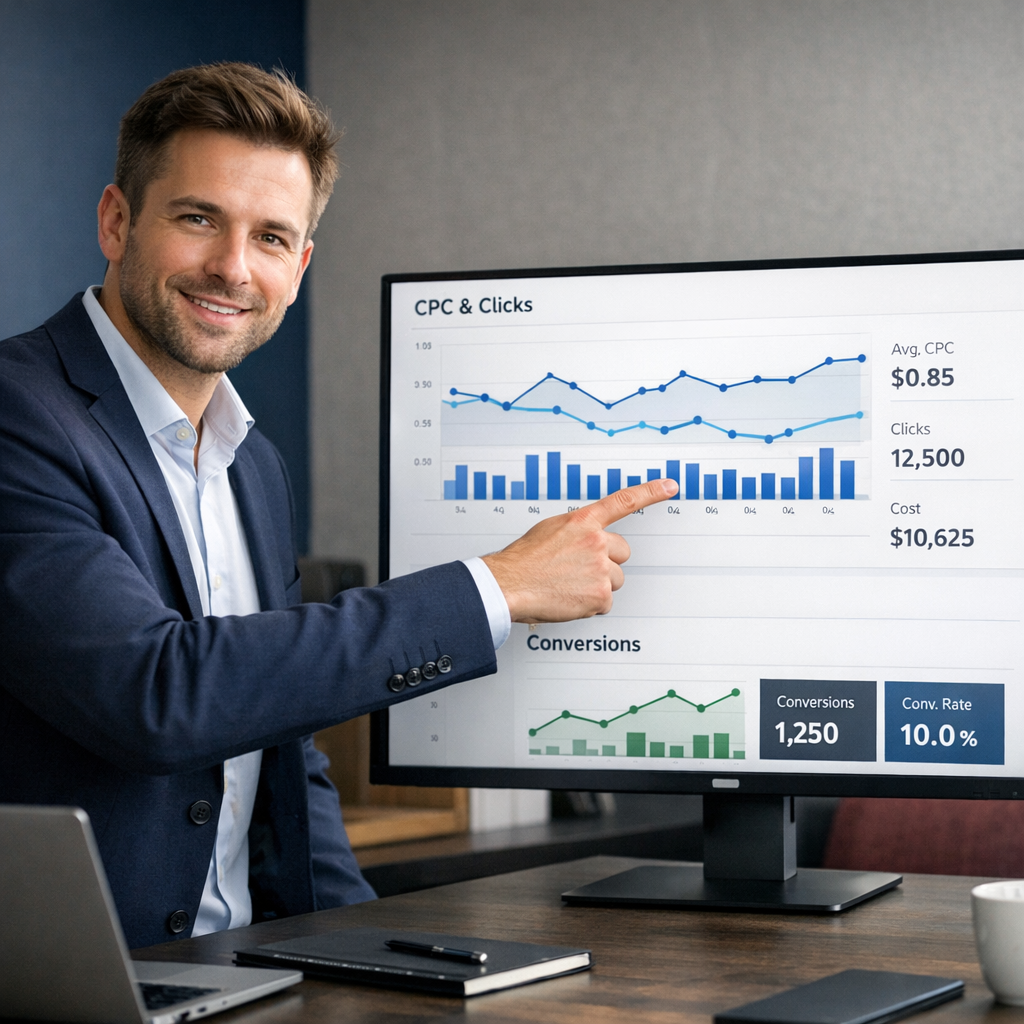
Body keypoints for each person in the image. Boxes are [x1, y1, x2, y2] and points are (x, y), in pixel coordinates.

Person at [0, 63, 677, 950]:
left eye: (272, 238)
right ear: (117, 221)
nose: (233, 267)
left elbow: (288, 756)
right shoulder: (20, 415)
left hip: (237, 972)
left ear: (302, 263)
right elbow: (157, 694)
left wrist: (375, 959)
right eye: (199, 218)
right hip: (82, 983)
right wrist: (494, 589)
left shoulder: (253, 466)